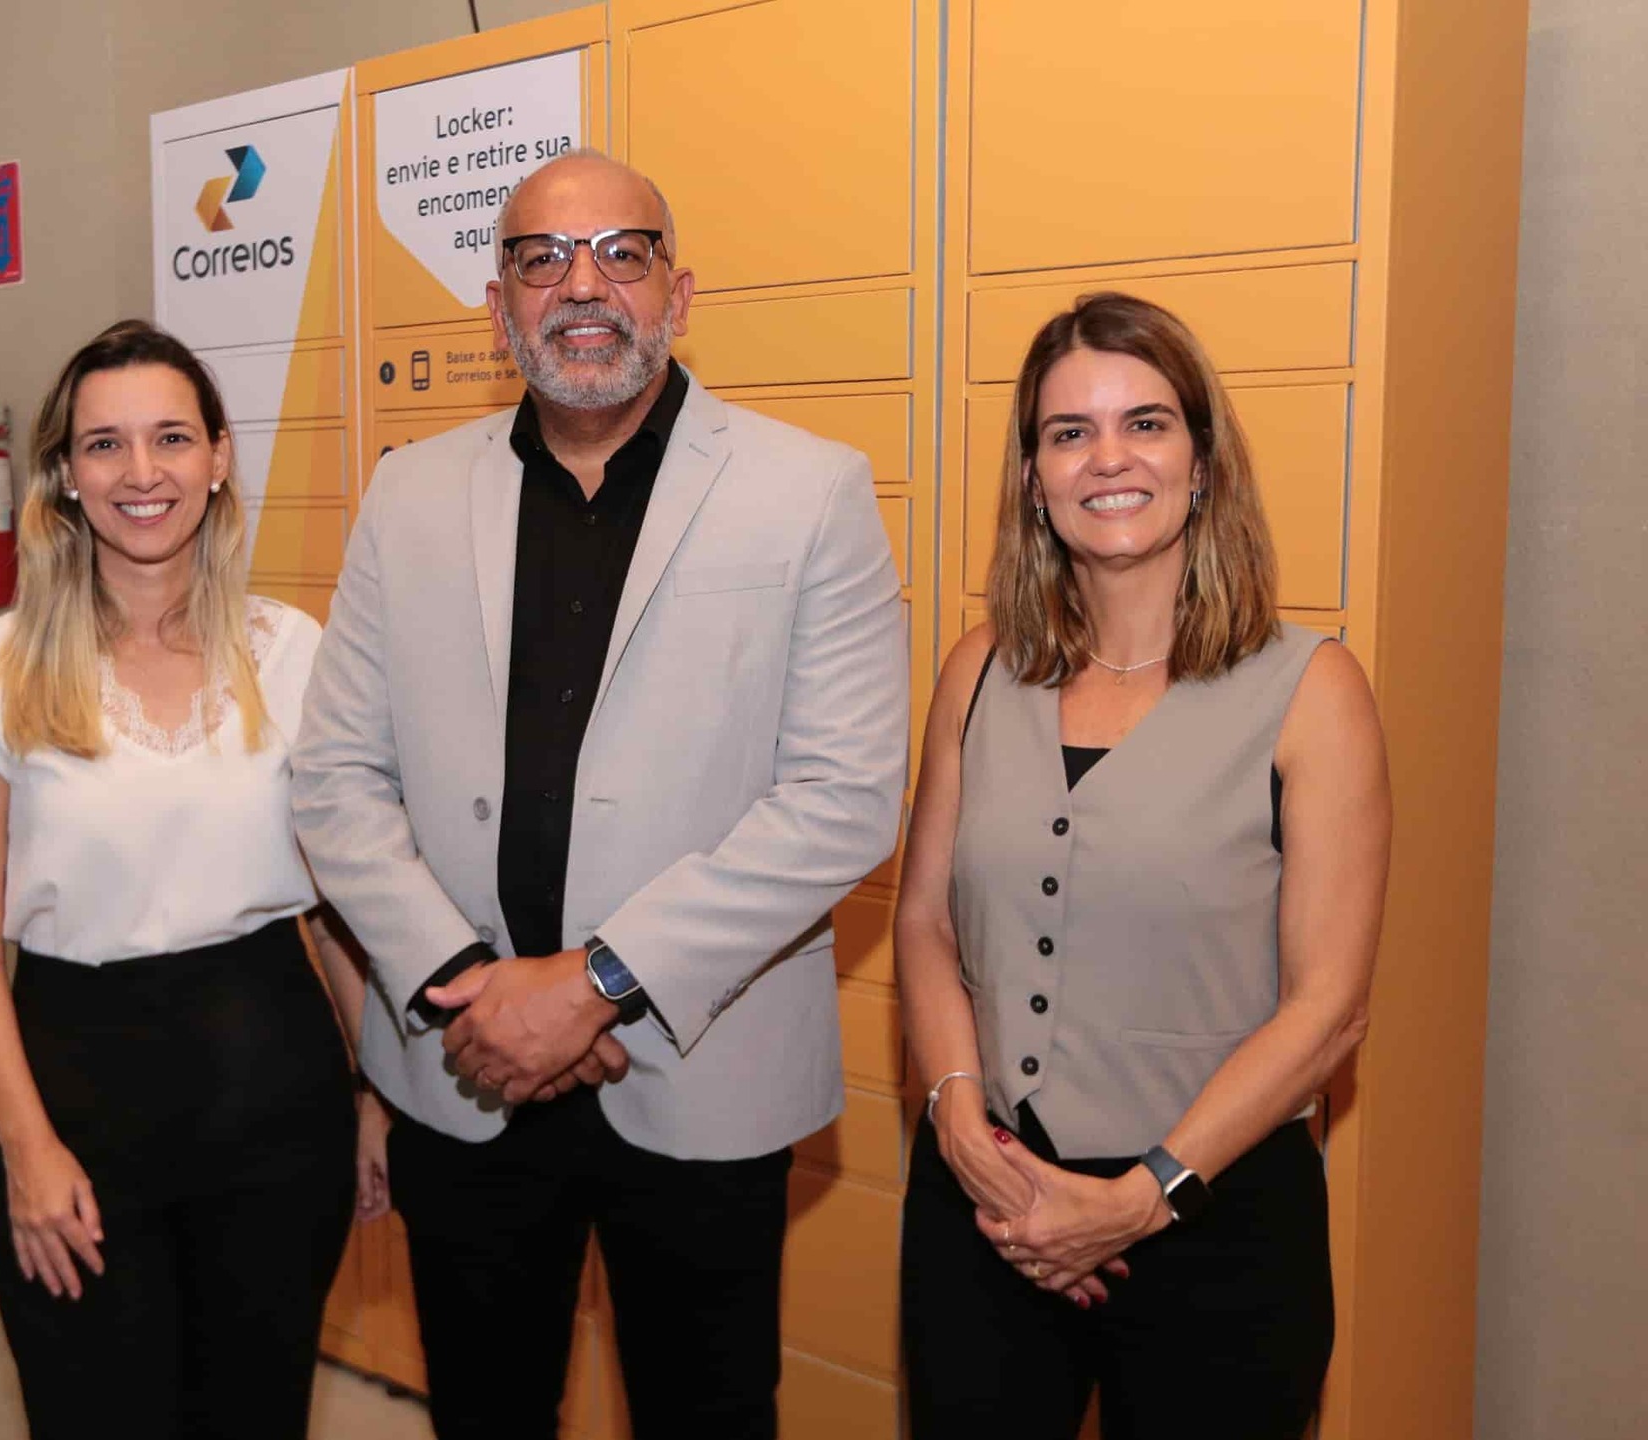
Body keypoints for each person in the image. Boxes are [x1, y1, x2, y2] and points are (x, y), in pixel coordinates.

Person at [291, 151, 909, 1440]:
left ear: (678, 294)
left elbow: (843, 799)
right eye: (542, 258)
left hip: (697, 1065)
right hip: (461, 1070)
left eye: (622, 254)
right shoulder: (408, 494)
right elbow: (337, 773)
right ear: (497, 302)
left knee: (707, 1412)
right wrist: (468, 986)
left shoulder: (810, 490)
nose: (584, 287)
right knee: (484, 1406)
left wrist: (590, 984)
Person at [894, 292, 1390, 1439]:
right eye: (1068, 433)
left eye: (1146, 424)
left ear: (1203, 460)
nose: (1106, 459)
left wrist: (1134, 1202)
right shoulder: (978, 670)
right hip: (985, 1207)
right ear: (1032, 476)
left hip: (1212, 1226)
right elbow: (922, 922)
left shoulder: (1311, 690)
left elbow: (1328, 1012)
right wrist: (961, 1124)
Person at [0, 320, 386, 1439]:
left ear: (218, 458)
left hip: (279, 1096)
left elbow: (337, 906)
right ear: (64, 476)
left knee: (258, 1417)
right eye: (105, 444)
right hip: (78, 1100)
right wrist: (25, 1147)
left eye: (171, 437)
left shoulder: (291, 652)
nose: (141, 472)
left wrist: (375, 1092)